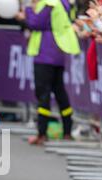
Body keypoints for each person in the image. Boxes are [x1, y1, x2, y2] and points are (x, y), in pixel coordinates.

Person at [17, 0, 81, 145]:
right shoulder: (62, 2)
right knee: (60, 92)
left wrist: (27, 11)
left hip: (45, 53)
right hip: (57, 52)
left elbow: (36, 24)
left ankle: (42, 133)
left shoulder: (49, 3)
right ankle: (67, 131)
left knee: (43, 93)